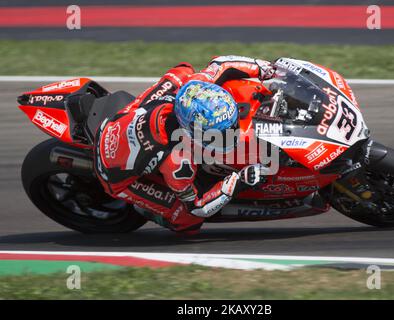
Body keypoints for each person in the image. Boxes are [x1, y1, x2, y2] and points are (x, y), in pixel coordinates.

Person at [94, 56, 275, 234]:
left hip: (125, 119)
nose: (232, 132)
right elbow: (197, 206)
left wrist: (260, 67)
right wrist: (237, 182)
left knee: (183, 71)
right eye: (221, 134)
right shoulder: (179, 162)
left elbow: (221, 64)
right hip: (112, 170)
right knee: (188, 222)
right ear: (192, 132)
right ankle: (148, 211)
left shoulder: (193, 88)